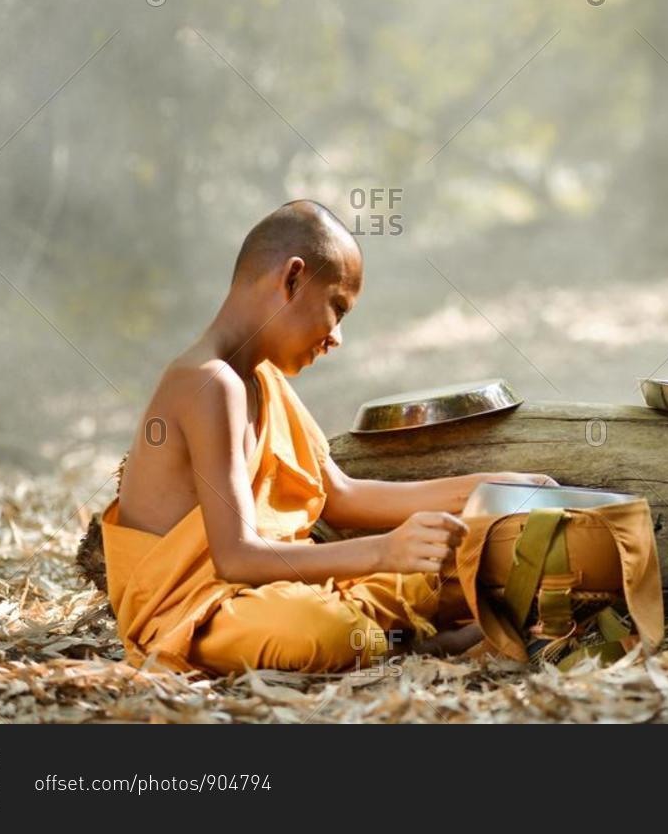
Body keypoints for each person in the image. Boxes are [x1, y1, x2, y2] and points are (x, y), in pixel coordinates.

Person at [99, 200, 554, 673]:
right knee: (321, 631)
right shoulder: (207, 383)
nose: (337, 337)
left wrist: (492, 490)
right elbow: (235, 558)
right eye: (337, 307)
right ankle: (420, 647)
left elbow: (341, 494)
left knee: (461, 566)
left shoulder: (262, 381)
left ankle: (406, 629)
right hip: (203, 612)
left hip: (285, 589)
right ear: (292, 279)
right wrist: (384, 551)